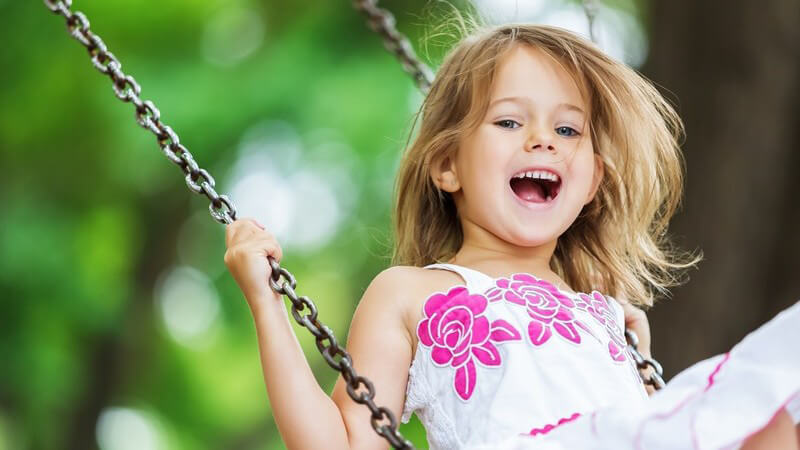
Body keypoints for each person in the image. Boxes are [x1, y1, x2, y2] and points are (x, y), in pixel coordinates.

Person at [223, 22, 800, 449]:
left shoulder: (601, 313)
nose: (543, 140)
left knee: (777, 398)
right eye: (509, 121)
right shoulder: (410, 294)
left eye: (568, 128)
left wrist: (638, 361)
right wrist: (266, 302)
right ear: (447, 164)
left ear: (593, 180)